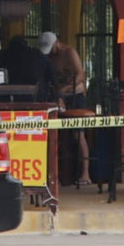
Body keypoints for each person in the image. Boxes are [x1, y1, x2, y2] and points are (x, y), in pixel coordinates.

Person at [38, 31, 92, 185]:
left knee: (78, 133)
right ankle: (57, 175)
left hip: (75, 94)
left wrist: (67, 89)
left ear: (57, 42)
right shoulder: (48, 58)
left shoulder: (69, 53)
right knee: (55, 133)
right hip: (59, 96)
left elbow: (80, 75)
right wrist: (58, 96)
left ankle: (85, 173)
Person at [0, 35, 58, 102]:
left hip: (10, 97)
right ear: (26, 44)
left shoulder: (3, 57)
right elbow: (52, 76)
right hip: (36, 97)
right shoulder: (37, 55)